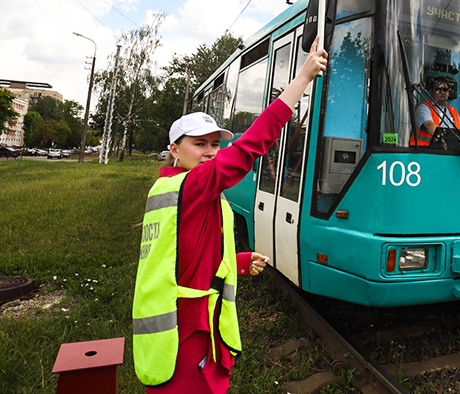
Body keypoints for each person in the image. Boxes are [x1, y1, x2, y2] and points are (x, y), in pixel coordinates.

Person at [133, 39, 328, 393]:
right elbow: (250, 146)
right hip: (187, 330)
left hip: (184, 323)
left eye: (214, 144)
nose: (209, 152)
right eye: (199, 144)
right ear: (174, 149)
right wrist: (302, 78)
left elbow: (181, 251)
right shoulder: (193, 185)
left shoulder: (170, 188)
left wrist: (237, 262)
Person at [410, 76, 460, 146]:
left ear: (448, 93)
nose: (442, 92)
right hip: (427, 154)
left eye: (445, 89)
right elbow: (429, 124)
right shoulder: (424, 107)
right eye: (438, 89)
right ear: (431, 92)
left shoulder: (453, 111)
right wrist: (445, 142)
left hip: (452, 153)